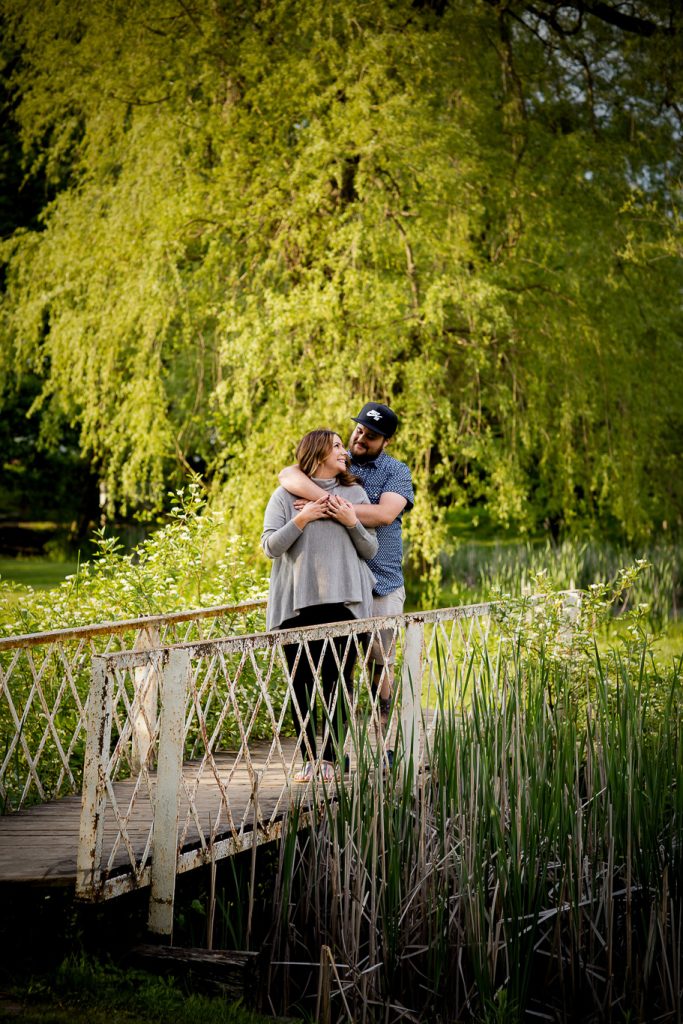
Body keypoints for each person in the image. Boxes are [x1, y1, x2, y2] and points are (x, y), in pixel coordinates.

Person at [278, 403, 414, 727]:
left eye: (372, 435)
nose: (361, 437)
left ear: (386, 441)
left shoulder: (397, 471)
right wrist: (325, 502)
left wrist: (332, 507)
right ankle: (341, 749)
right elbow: (287, 474)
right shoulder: (340, 460)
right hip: (343, 585)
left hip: (382, 583)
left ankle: (385, 745)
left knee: (380, 666)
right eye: (359, 429)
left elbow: (384, 515)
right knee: (341, 669)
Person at [262, 429, 378, 783]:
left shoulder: (354, 494)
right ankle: (308, 758)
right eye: (338, 445)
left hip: (344, 601)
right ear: (318, 452)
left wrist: (350, 520)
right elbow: (269, 547)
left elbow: (370, 550)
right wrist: (303, 518)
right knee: (301, 684)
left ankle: (330, 758)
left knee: (337, 682)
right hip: (298, 603)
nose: (345, 450)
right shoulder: (284, 496)